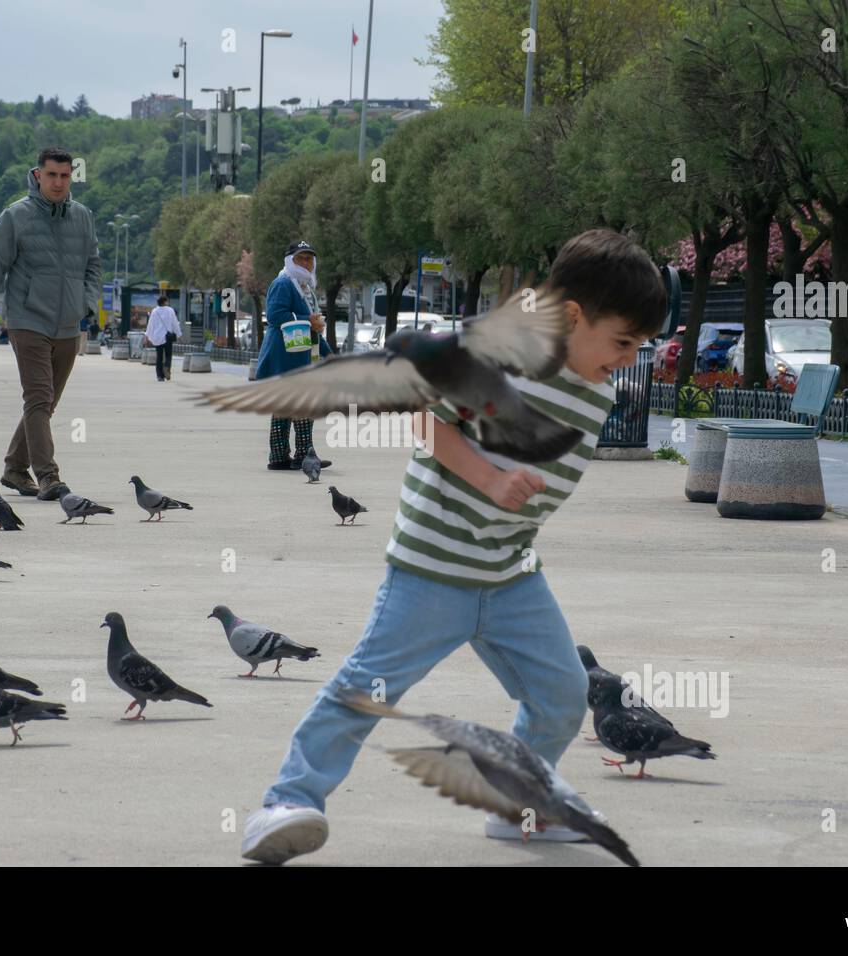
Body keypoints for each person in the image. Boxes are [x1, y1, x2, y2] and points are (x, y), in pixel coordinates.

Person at [240, 229, 668, 864]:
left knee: (560, 695)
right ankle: (287, 800)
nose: (630, 358)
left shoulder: (600, 384)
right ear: (572, 316)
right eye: (624, 342)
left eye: (641, 345)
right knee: (369, 689)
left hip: (511, 571)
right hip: (432, 567)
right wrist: (492, 477)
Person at [0, 147, 101, 500]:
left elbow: (93, 265)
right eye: (52, 175)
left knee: (45, 404)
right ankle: (48, 476)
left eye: (65, 175)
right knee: (38, 397)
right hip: (27, 320)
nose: (59, 182)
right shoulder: (16, 216)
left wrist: (87, 304)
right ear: (37, 175)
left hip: (68, 325)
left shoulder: (82, 216)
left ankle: (15, 468)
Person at [255, 239, 333, 471]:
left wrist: (328, 355)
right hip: (284, 357)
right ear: (291, 261)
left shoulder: (304, 287)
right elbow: (275, 316)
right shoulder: (283, 283)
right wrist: (307, 320)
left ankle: (290, 456)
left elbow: (312, 328)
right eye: (301, 258)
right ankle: (294, 456)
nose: (306, 262)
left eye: (309, 258)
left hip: (299, 356)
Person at [145, 295, 181, 381]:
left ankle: (160, 376)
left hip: (157, 337)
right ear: (164, 302)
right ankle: (167, 367)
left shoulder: (154, 311)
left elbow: (151, 325)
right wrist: (179, 334)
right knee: (168, 355)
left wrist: (147, 336)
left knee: (159, 356)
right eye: (167, 301)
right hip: (168, 337)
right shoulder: (170, 310)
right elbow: (175, 323)